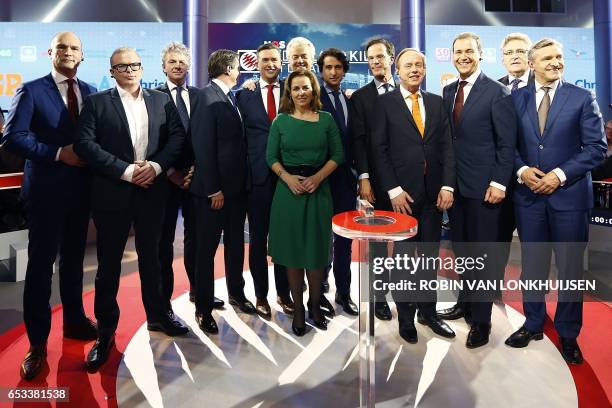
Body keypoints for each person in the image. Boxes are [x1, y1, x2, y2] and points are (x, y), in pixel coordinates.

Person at [75, 47, 189, 372]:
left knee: (153, 260)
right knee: (108, 267)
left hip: (152, 191)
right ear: (112, 71)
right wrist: (126, 171)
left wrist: (154, 167)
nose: (129, 70)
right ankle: (105, 334)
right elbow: (85, 144)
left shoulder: (161, 100)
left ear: (142, 67)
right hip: (113, 194)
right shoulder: (97, 103)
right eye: (122, 66)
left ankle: (158, 315)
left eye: (135, 64)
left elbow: (176, 140)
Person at [2, 31, 97, 381]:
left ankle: (74, 322)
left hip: (81, 193)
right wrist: (59, 153)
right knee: (40, 269)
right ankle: (37, 344)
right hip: (45, 193)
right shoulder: (31, 89)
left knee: (74, 263)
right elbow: (13, 137)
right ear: (50, 52)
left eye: (74, 47)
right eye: (62, 47)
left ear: (82, 55)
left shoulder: (90, 92)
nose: (68, 52)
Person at [504, 38, 606, 364]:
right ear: (531, 63)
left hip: (570, 197)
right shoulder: (515, 98)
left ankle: (568, 333)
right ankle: (533, 322)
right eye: (548, 58)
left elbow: (596, 148)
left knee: (570, 268)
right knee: (532, 264)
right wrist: (521, 170)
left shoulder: (582, 97)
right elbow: (507, 146)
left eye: (559, 57)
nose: (555, 62)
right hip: (528, 196)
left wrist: (559, 175)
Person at [371, 48, 456, 343]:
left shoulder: (436, 102)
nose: (415, 69)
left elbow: (447, 147)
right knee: (406, 260)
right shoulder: (384, 104)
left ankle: (428, 313)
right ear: (397, 69)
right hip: (401, 197)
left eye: (420, 65)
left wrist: (448, 186)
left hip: (434, 195)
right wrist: (393, 190)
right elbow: (378, 150)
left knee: (429, 259)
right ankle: (405, 318)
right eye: (409, 65)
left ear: (425, 69)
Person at [438, 32, 515, 349]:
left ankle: (481, 323)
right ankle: (465, 304)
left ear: (481, 54)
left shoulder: (499, 92)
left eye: (470, 51)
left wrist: (499, 182)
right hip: (456, 190)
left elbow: (506, 143)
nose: (463, 56)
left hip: (486, 190)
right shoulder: (447, 91)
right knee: (463, 253)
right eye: (458, 52)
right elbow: (448, 141)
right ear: (452, 56)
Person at [266, 70, 343, 336]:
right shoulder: (280, 122)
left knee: (317, 252)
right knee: (293, 254)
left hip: (318, 193)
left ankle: (315, 305)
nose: (301, 93)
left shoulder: (326, 120)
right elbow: (270, 157)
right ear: (290, 93)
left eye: (305, 88)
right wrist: (288, 178)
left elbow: (338, 154)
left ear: (313, 90)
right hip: (288, 195)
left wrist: (318, 178)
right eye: (296, 88)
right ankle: (298, 309)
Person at [155, 42, 224, 315]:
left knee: (198, 240)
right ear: (163, 66)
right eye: (172, 61)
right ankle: (163, 305)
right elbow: (153, 141)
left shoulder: (200, 96)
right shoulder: (153, 96)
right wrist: (171, 172)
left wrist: (198, 170)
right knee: (164, 243)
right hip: (165, 180)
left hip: (198, 178)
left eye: (182, 62)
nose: (178, 66)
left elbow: (207, 137)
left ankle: (199, 291)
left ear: (189, 66)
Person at [190, 49, 253, 335]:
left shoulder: (230, 96)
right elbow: (203, 147)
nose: (240, 71)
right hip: (214, 193)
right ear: (229, 68)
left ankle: (236, 294)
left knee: (235, 246)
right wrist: (213, 188)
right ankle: (203, 308)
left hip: (237, 190)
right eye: (238, 66)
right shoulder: (206, 96)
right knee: (206, 250)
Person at [236, 43, 294, 318]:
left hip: (288, 177)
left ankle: (284, 294)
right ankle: (261, 295)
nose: (270, 64)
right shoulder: (243, 96)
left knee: (283, 240)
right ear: (255, 64)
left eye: (274, 60)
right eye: (265, 60)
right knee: (258, 240)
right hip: (257, 179)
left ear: (280, 63)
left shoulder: (293, 91)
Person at [349, 37, 398, 321]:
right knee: (378, 243)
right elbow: (359, 141)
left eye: (380, 57)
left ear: (391, 58)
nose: (376, 62)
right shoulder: (361, 98)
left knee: (406, 242)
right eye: (371, 58)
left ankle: (406, 296)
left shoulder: (409, 89)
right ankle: (379, 298)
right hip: (375, 181)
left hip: (407, 180)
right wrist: (364, 178)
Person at [316, 48, 358, 316]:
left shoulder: (349, 99)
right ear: (320, 71)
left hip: (345, 183)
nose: (333, 72)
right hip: (319, 181)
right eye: (328, 67)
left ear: (344, 71)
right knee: (320, 239)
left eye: (338, 68)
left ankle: (344, 292)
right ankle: (318, 291)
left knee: (344, 241)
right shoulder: (311, 98)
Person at [495, 33, 535, 300]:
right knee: (495, 246)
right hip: (500, 183)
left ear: (531, 57)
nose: (515, 56)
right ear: (502, 59)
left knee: (534, 254)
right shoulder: (494, 88)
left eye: (520, 51)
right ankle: (491, 298)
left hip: (535, 183)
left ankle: (533, 312)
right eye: (509, 53)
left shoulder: (546, 87)